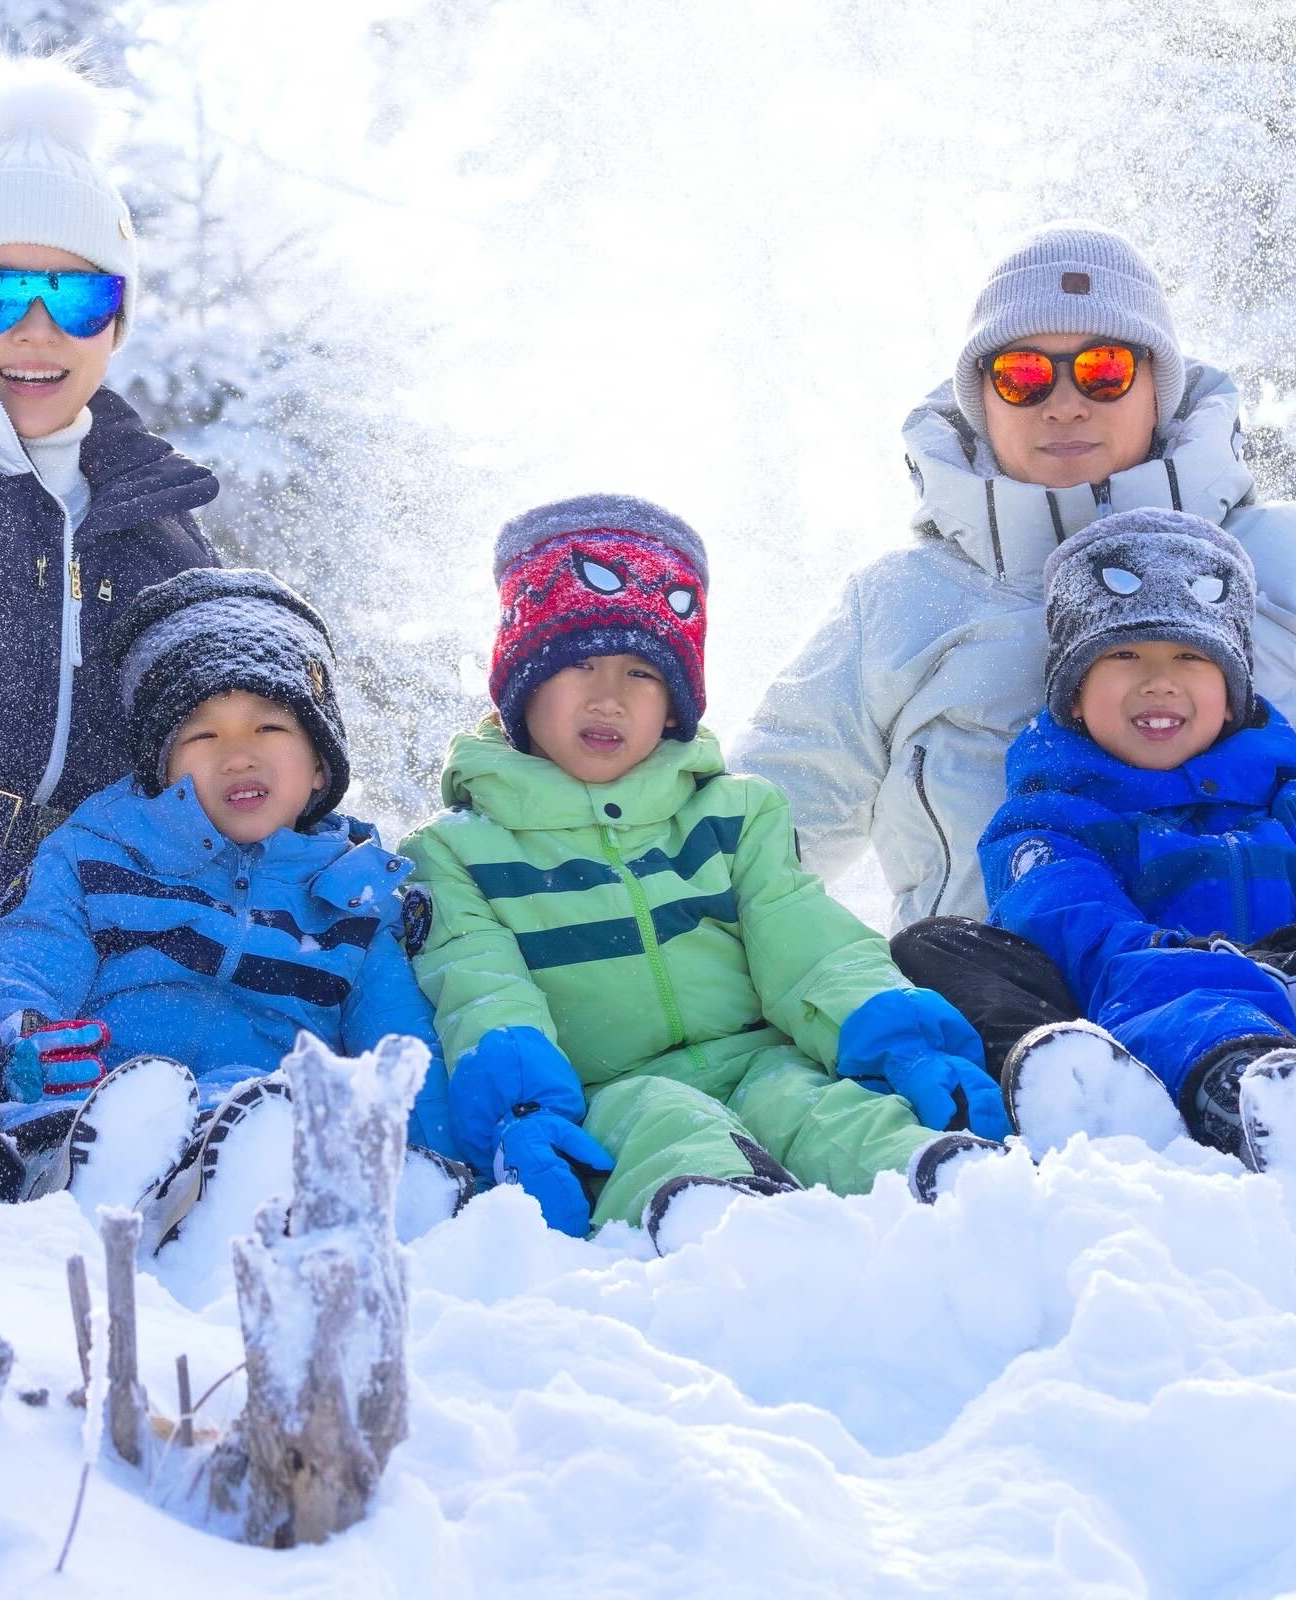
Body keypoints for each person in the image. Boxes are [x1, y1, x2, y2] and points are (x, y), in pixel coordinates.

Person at [401, 495, 1011, 1254]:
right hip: (606, 1092)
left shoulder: (732, 814)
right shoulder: (460, 853)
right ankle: (716, 1228)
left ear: (675, 704)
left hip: (760, 1058)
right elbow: (482, 991)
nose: (609, 696)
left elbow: (811, 945)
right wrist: (523, 1113)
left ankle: (948, 1187)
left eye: (640, 672)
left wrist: (900, 1041)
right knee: (664, 1120)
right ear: (523, 684)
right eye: (578, 663)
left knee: (815, 1105)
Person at [734, 225, 1296, 963]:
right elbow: (763, 841)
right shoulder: (901, 606)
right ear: (981, 399)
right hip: (1000, 1042)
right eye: (1023, 376)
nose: (1064, 405)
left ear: (1158, 390)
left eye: (1104, 370)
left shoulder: (1290, 561)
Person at [0, 570, 466, 1241]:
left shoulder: (356, 899)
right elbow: (30, 955)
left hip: (266, 1122)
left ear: (321, 765)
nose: (239, 754)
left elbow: (402, 1050)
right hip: (96, 1110)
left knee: (265, 1111)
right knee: (124, 1112)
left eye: (270, 727)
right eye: (203, 737)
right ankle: (87, 1188)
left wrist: (441, 1162)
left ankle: (241, 1199)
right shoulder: (101, 852)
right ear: (161, 763)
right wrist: (26, 1033)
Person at [0, 48, 218, 954]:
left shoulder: (159, 527)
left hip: (95, 951)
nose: (36, 328)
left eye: (75, 294)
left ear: (117, 323)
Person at [959, 510, 1296, 1173]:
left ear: (1232, 696)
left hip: (1290, 1001)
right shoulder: (1049, 818)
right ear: (1075, 695)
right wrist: (1219, 975)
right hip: (1136, 1006)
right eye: (1124, 654)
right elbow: (1081, 928)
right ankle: (1227, 1087)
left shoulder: (1290, 795)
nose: (1159, 680)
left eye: (1190, 656)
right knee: (943, 948)